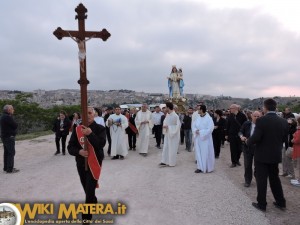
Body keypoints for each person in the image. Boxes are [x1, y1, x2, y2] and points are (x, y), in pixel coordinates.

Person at [247, 98, 289, 212]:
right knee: (275, 179)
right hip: (275, 155)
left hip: (262, 156)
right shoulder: (283, 121)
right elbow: (285, 140)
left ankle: (262, 204)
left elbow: (256, 137)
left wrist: (248, 141)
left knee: (261, 180)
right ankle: (281, 202)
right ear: (275, 108)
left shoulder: (261, 120)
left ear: (265, 108)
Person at [68, 106, 106, 222]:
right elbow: (70, 147)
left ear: (94, 114)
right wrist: (79, 151)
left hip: (94, 163)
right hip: (81, 164)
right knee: (87, 188)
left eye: (90, 113)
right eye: (85, 113)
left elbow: (100, 145)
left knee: (89, 191)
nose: (88, 115)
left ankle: (86, 219)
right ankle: (93, 201)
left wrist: (90, 134)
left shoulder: (100, 128)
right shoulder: (77, 129)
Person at [238, 111, 261, 187]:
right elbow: (240, 132)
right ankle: (247, 180)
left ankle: (258, 179)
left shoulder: (262, 125)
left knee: (258, 165)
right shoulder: (246, 123)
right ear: (251, 116)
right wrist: (241, 136)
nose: (256, 118)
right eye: (255, 116)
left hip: (258, 148)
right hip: (247, 147)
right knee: (247, 165)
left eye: (258, 116)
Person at [192, 105, 215, 173]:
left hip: (206, 139)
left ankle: (207, 167)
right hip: (198, 138)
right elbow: (194, 126)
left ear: (201, 110)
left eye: (198, 109)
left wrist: (201, 132)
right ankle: (199, 167)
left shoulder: (209, 119)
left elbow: (210, 129)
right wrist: (195, 130)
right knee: (199, 152)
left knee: (206, 153)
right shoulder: (198, 118)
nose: (197, 111)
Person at [159, 102, 181, 167]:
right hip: (168, 134)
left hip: (173, 135)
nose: (164, 108)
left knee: (172, 148)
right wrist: (165, 125)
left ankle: (171, 162)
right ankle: (164, 161)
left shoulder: (175, 116)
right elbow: (165, 122)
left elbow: (178, 126)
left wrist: (169, 127)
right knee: (166, 147)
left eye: (165, 107)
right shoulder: (168, 115)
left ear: (168, 107)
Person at [0, 105, 19, 173]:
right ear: (9, 110)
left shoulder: (3, 116)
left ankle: (6, 167)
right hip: (9, 137)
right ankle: (10, 169)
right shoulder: (8, 117)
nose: (13, 110)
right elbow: (15, 125)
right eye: (12, 109)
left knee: (6, 152)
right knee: (11, 152)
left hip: (4, 136)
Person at [291, 117, 300, 186]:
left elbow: (296, 140)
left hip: (298, 150)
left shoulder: (299, 130)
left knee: (298, 166)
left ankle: (298, 180)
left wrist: (293, 139)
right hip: (297, 149)